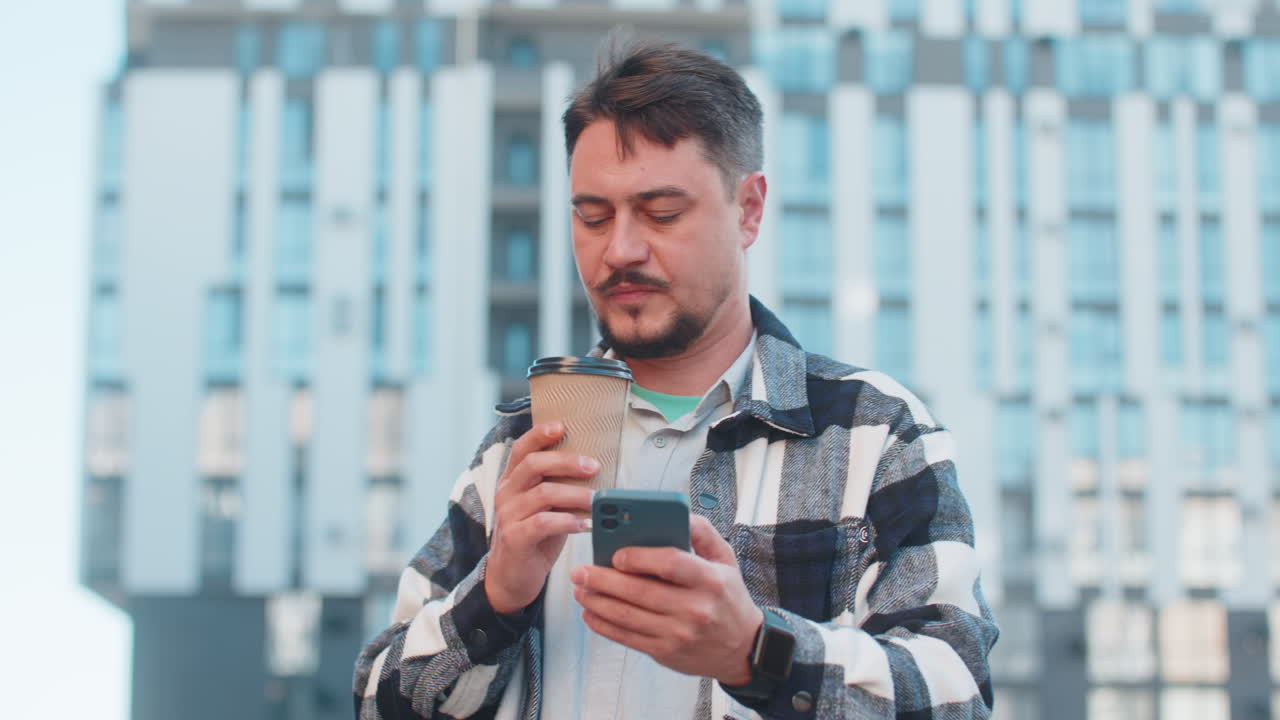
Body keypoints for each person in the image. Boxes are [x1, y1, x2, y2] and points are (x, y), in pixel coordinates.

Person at [354, 40, 998, 720]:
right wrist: (496, 595)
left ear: (748, 210)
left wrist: (758, 652)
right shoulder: (518, 447)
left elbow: (956, 692)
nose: (620, 250)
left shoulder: (873, 430)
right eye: (592, 216)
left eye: (661, 213)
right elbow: (376, 701)